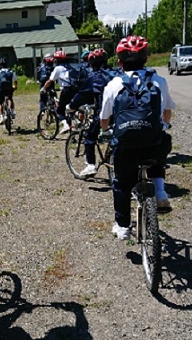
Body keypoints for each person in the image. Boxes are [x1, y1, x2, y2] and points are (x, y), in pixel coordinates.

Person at [100, 36, 175, 240]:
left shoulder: (113, 85)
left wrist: (106, 131)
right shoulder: (159, 81)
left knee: (122, 183)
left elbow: (104, 119)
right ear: (146, 58)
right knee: (159, 143)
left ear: (119, 62)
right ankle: (160, 191)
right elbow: (167, 112)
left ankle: (123, 226)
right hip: (153, 145)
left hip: (126, 147)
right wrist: (164, 125)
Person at [67, 48, 114, 176]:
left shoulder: (94, 77)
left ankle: (91, 165)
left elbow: (82, 95)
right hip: (121, 112)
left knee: (89, 136)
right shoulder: (116, 73)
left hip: (104, 114)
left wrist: (71, 106)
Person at [41, 49, 81, 134]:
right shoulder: (69, 66)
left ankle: (65, 125)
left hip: (66, 90)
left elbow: (50, 81)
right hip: (75, 89)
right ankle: (74, 124)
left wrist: (43, 88)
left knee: (59, 110)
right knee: (70, 108)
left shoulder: (58, 68)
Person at [0, 57, 18, 124]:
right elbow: (15, 81)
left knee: (0, 103)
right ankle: (12, 112)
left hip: (1, 89)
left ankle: (1, 117)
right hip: (9, 89)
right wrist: (15, 87)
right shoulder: (11, 72)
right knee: (10, 99)